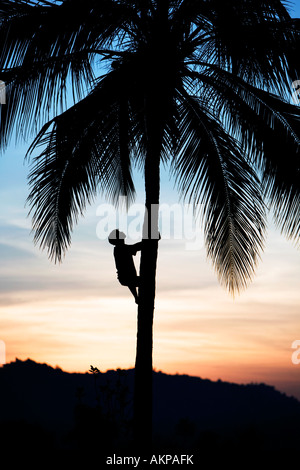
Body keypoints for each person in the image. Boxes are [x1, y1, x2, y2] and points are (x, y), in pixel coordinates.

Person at [108, 229, 142, 304]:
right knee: (145, 282)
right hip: (125, 278)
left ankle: (137, 298)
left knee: (137, 282)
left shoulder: (120, 248)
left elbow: (135, 247)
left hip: (125, 278)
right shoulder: (121, 249)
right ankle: (137, 298)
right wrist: (150, 242)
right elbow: (136, 247)